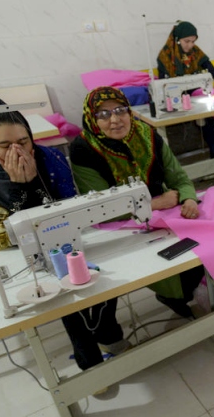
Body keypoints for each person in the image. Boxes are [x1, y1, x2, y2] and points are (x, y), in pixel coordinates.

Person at [0, 99, 129, 376]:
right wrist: (21, 188)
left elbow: (70, 209)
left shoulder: (50, 158)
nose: (18, 151)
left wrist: (35, 187)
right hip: (20, 257)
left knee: (99, 268)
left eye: (23, 140)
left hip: (66, 237)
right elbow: (1, 238)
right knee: (60, 284)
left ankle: (106, 327)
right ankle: (85, 348)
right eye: (5, 146)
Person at [71, 86, 204, 318]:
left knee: (199, 252)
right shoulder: (83, 149)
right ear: (91, 118)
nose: (115, 120)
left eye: (120, 110)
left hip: (164, 212)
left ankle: (183, 294)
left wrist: (189, 198)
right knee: (158, 264)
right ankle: (172, 294)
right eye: (103, 114)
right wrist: (153, 204)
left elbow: (179, 178)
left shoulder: (148, 135)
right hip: (118, 225)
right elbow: (100, 207)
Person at [155, 20, 214, 158]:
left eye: (193, 41)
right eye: (187, 41)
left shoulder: (196, 53)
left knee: (210, 114)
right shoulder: (164, 57)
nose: (190, 45)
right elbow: (164, 84)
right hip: (175, 95)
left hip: (194, 93)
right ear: (177, 40)